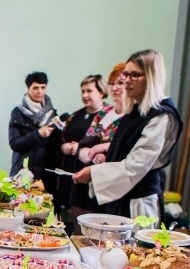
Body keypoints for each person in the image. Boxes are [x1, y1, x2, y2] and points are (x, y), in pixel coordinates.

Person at [72, 50, 182, 219]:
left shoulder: (161, 116)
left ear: (152, 77)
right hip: (122, 197)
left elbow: (136, 165)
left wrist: (95, 173)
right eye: (126, 74)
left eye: (135, 75)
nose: (126, 81)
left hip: (140, 205)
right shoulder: (135, 112)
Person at [74, 64, 127, 213]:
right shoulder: (105, 113)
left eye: (120, 83)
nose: (115, 88)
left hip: (117, 182)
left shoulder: (132, 117)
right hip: (94, 177)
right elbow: (87, 141)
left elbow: (128, 148)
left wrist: (104, 151)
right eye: (112, 83)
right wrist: (90, 153)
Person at [56, 75, 107, 223]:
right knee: (76, 219)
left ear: (101, 92)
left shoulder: (107, 116)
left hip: (92, 173)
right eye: (83, 91)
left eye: (89, 91)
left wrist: (81, 148)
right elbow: (63, 137)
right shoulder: (76, 115)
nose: (85, 95)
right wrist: (64, 147)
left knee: (90, 221)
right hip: (72, 170)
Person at [8, 71, 60, 192]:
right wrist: (38, 134)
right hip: (23, 170)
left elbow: (55, 145)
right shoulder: (18, 113)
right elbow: (14, 143)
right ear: (28, 88)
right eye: (35, 88)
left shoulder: (52, 113)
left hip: (47, 171)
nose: (40, 91)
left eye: (43, 87)